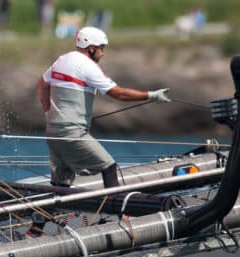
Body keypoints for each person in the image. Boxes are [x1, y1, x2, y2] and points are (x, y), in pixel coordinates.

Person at [37, 26, 171, 187]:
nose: (103, 53)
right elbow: (118, 93)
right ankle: (121, 211)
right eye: (101, 48)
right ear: (91, 48)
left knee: (61, 181)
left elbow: (41, 85)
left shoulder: (61, 60)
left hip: (52, 131)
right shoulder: (87, 66)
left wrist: (48, 113)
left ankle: (54, 212)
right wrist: (151, 95)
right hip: (72, 133)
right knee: (109, 167)